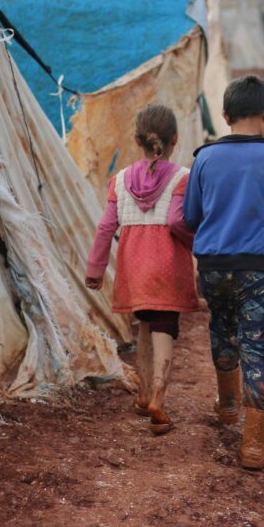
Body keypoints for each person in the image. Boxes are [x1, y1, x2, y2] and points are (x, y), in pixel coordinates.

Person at [183, 75, 264, 470]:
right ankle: (253, 445)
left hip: (213, 266)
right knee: (257, 348)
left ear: (225, 115)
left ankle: (228, 405)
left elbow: (191, 216)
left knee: (221, 327)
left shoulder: (204, 158)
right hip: (258, 268)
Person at [85, 105, 197, 436]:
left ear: (137, 140)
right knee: (165, 325)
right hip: (167, 265)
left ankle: (144, 393)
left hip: (134, 267)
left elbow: (106, 228)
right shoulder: (182, 177)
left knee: (145, 323)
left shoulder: (119, 181)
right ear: (174, 139)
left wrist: (95, 267)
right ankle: (158, 395)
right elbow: (177, 220)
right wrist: (196, 241)